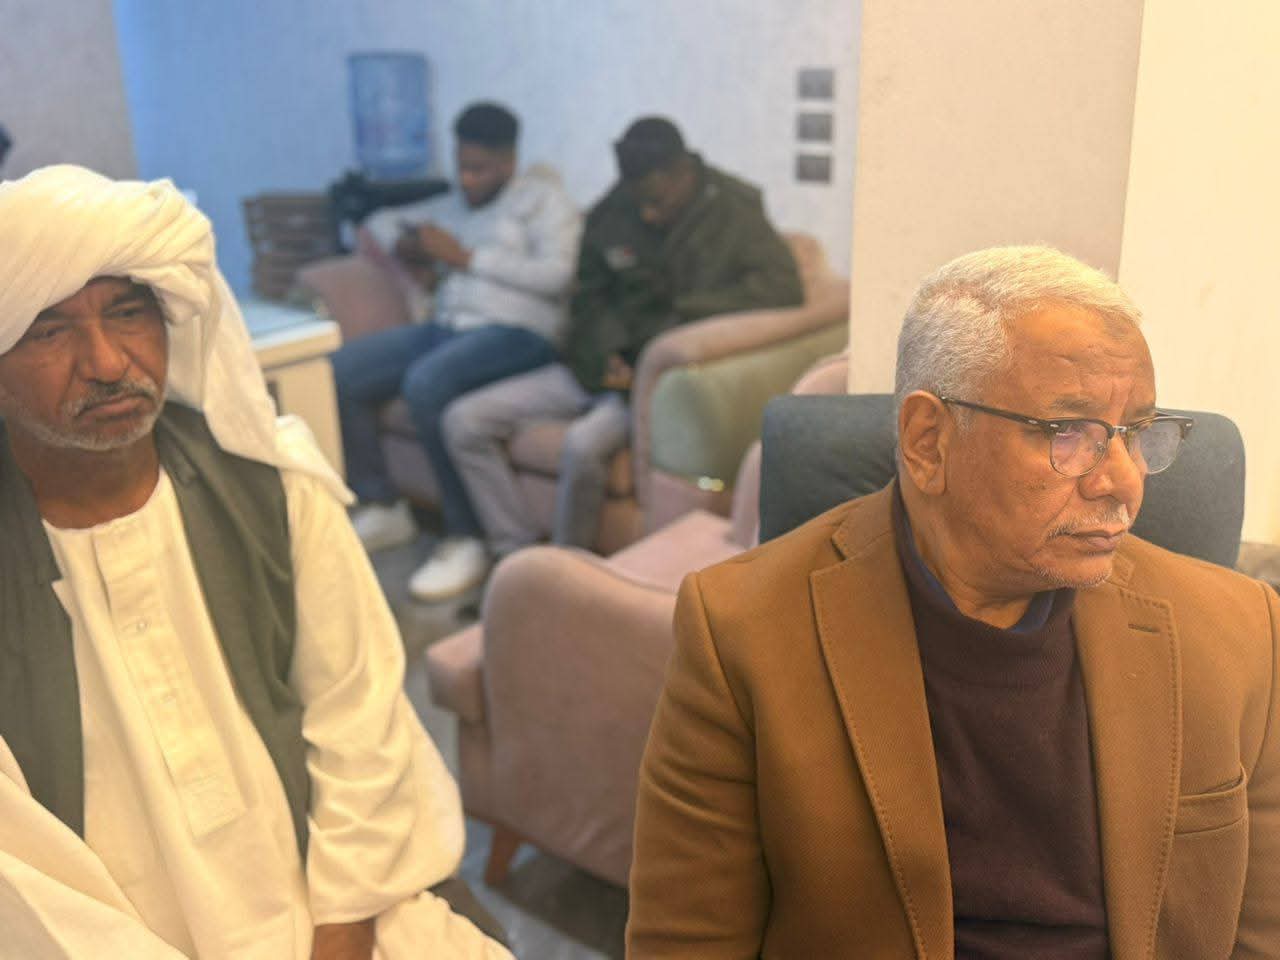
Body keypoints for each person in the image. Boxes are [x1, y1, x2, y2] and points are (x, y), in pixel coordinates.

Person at [627, 246, 1279, 958]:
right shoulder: (740, 633)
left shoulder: (1242, 631)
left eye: (1139, 433)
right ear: (928, 441)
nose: (1124, 482)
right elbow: (687, 945)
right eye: (1070, 433)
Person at [0, 165, 511, 959]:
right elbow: (21, 874)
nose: (106, 362)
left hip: (327, 891)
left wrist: (342, 924)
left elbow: (359, 715)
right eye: (48, 331)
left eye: (128, 313)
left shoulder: (270, 484)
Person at [429, 117, 802, 596]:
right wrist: (605, 349)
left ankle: (560, 583)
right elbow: (586, 297)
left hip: (652, 383)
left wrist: (677, 317)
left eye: (656, 201)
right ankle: (515, 556)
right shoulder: (614, 210)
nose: (646, 213)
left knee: (582, 446)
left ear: (682, 173)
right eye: (638, 200)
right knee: (463, 421)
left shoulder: (734, 209)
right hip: (591, 368)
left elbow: (781, 288)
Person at [333, 101, 581, 597]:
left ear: (509, 161)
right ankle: (383, 504)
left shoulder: (544, 202)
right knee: (341, 370)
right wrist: (408, 246)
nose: (467, 179)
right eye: (462, 165)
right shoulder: (452, 205)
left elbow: (559, 276)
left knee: (426, 383)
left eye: (479, 169)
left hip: (517, 333)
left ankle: (465, 536)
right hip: (448, 328)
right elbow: (380, 221)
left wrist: (466, 258)